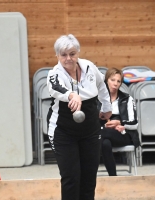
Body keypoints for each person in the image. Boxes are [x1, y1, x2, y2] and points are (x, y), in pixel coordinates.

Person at [46, 34, 112, 200]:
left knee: (89, 178)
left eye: (72, 53)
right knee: (71, 178)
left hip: (90, 130)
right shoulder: (54, 74)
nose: (68, 58)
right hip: (63, 132)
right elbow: (56, 87)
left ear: (78, 53)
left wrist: (106, 107)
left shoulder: (89, 67)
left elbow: (102, 86)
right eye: (63, 55)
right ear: (57, 56)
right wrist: (71, 95)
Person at [100, 68, 140, 176]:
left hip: (123, 134)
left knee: (97, 135)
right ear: (106, 80)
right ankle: (113, 177)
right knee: (105, 143)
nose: (115, 84)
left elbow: (135, 122)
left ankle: (87, 173)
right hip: (104, 133)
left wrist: (121, 124)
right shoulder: (98, 99)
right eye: (112, 80)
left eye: (118, 81)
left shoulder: (127, 99)